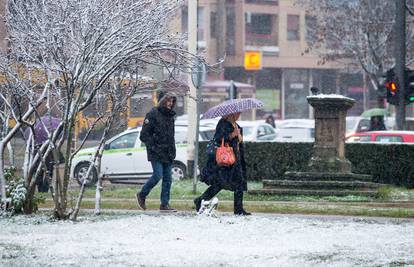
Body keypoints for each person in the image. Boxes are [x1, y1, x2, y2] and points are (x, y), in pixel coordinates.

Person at [194, 112, 251, 216]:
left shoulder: (237, 125)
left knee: (239, 183)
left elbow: (239, 142)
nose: (239, 115)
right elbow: (218, 138)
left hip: (236, 159)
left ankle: (238, 209)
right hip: (226, 159)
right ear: (231, 114)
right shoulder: (223, 123)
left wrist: (238, 136)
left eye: (240, 113)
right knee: (219, 184)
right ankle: (200, 200)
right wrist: (232, 135)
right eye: (237, 113)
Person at [136, 91, 177, 212]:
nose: (170, 103)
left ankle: (164, 204)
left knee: (168, 178)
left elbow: (171, 136)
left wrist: (172, 150)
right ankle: (142, 194)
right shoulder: (152, 114)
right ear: (162, 100)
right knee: (157, 175)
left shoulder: (170, 116)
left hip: (168, 152)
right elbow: (144, 136)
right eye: (168, 100)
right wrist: (154, 146)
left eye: (172, 101)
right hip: (156, 152)